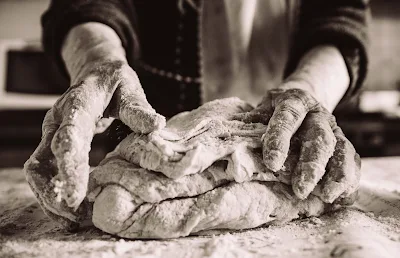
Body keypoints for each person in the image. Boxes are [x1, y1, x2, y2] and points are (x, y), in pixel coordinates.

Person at [24, 0, 370, 230]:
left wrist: (308, 88)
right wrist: (98, 59)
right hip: (147, 130)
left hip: (294, 133)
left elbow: (340, 15)